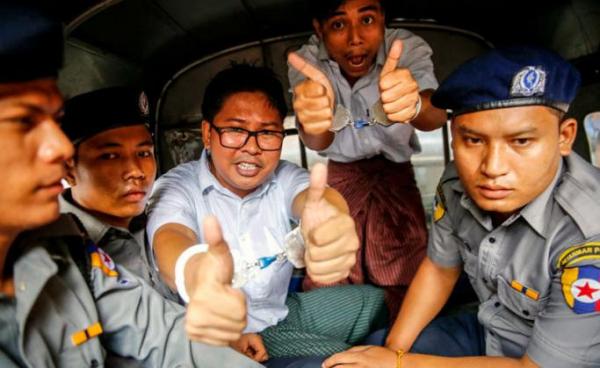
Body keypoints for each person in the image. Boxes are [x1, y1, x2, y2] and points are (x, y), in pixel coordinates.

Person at [0, 2, 262, 367]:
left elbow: (166, 334)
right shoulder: (78, 240)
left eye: (144, 152)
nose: (57, 149)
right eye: (23, 122)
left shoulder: (68, 254)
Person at [323, 46, 600, 368]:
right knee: (362, 356)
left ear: (564, 137)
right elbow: (440, 269)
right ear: (454, 137)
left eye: (521, 141)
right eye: (474, 141)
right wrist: (392, 350)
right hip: (488, 330)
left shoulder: (589, 234)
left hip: (550, 360)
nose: (493, 168)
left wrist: (399, 365)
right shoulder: (457, 183)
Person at [146, 64, 388, 362]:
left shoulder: (283, 176)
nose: (252, 148)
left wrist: (331, 221)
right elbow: (171, 237)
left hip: (280, 312)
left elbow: (315, 198)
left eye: (268, 133)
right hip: (218, 340)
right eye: (235, 131)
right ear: (208, 134)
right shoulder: (177, 188)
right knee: (351, 360)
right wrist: (199, 276)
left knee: (375, 301)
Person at [287, 0, 447, 316]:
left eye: (368, 19)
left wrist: (414, 104)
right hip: (340, 179)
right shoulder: (306, 62)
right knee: (330, 272)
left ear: (384, 19)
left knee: (407, 273)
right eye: (338, 24)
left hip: (396, 178)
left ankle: (403, 346)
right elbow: (316, 137)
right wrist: (315, 118)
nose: (355, 38)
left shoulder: (406, 47)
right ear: (319, 29)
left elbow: (436, 116)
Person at [60, 86, 176, 301]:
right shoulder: (57, 253)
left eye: (143, 153)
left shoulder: (159, 216)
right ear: (68, 170)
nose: (136, 171)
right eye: (110, 156)